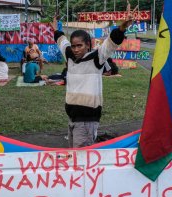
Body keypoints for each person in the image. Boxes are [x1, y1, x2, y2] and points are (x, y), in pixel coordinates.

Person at [51, 5, 134, 148]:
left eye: (80, 45)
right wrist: (55, 28)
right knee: (74, 155)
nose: (76, 49)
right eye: (74, 46)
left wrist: (122, 28)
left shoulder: (97, 58)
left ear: (88, 45)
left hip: (87, 120)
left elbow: (111, 42)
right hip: (72, 118)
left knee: (81, 159)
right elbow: (61, 41)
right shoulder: (69, 55)